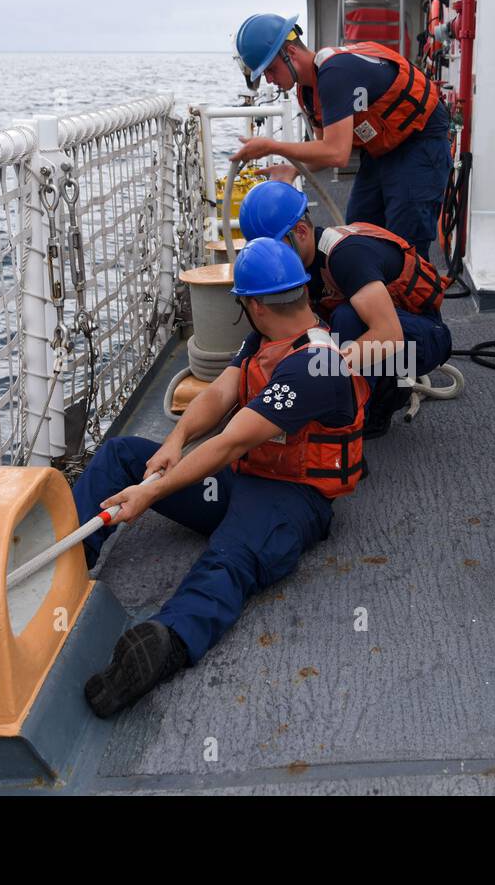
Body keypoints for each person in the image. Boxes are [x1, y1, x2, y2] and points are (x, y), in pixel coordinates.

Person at [74, 238, 370, 717]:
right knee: (124, 454)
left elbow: (230, 441)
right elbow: (221, 392)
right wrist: (175, 439)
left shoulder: (315, 365)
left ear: (252, 304)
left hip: (293, 499)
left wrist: (151, 494)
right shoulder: (265, 337)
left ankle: (168, 640)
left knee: (230, 556)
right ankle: (68, 555)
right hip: (244, 477)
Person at [239, 179, 453, 438]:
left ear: (301, 232)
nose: (270, 258)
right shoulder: (300, 265)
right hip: (389, 335)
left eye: (275, 247)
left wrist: (317, 374)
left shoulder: (345, 257)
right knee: (323, 326)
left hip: (422, 338)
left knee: (346, 317)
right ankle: (354, 392)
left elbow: (389, 334)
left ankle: (370, 409)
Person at [231, 12, 452, 259]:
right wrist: (294, 169)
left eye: (271, 70)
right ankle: (373, 290)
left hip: (420, 141)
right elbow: (324, 152)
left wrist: (273, 146)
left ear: (290, 53)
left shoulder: (336, 73)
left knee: (406, 243)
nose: (270, 81)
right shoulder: (307, 93)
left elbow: (337, 153)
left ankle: (409, 293)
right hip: (382, 150)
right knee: (359, 231)